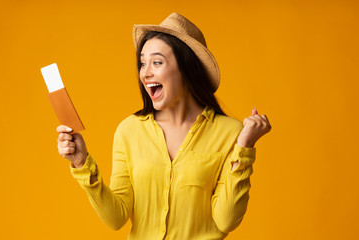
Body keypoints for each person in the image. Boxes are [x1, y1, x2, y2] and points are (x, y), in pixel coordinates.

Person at [56, 13, 271, 239]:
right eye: (142, 63)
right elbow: (116, 217)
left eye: (157, 62)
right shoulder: (129, 131)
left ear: (187, 69)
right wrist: (81, 163)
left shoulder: (231, 133)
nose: (145, 73)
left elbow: (226, 220)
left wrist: (245, 147)